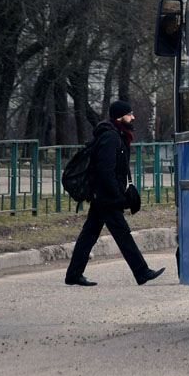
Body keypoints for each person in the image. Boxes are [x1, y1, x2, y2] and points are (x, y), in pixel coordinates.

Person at [64, 100, 165, 287]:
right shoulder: (110, 137)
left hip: (103, 196)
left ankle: (73, 274)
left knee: (89, 235)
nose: (133, 117)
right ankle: (142, 272)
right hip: (106, 197)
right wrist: (117, 194)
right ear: (121, 117)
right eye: (130, 114)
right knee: (122, 234)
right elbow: (105, 170)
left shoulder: (117, 134)